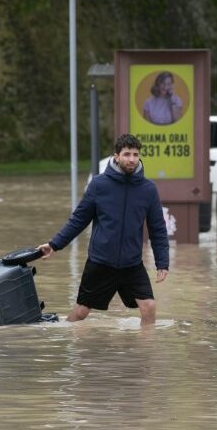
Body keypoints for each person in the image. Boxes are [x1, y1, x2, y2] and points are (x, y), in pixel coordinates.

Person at [37, 134, 170, 326]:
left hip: (131, 264)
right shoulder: (99, 185)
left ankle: (144, 353)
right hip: (101, 262)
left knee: (149, 307)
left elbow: (158, 229)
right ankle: (68, 342)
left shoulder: (148, 189)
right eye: (126, 154)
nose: (132, 159)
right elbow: (79, 220)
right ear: (116, 156)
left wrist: (162, 263)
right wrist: (55, 244)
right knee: (81, 312)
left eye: (135, 154)